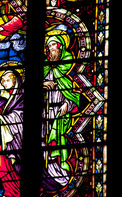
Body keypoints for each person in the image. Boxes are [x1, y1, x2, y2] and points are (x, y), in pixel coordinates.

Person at [42, 30, 81, 188]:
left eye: (54, 46)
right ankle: (44, 171)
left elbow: (73, 95)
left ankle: (57, 172)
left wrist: (67, 104)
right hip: (43, 113)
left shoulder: (65, 74)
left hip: (58, 113)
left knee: (55, 143)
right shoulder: (44, 71)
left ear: (61, 48)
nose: (51, 50)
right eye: (49, 48)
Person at [0, 62, 24, 197]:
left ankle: (16, 191)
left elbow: (20, 115)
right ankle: (10, 191)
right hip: (6, 139)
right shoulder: (4, 99)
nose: (4, 83)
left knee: (5, 161)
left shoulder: (22, 96)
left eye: (7, 80)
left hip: (18, 139)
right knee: (1, 161)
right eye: (2, 81)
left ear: (16, 80)